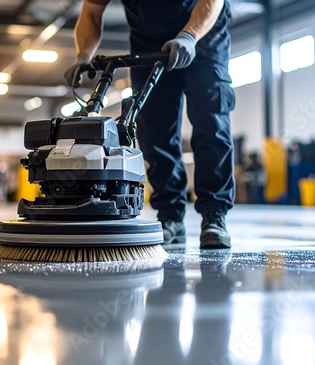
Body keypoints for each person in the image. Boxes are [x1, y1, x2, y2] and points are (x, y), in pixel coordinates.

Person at [64, 0, 236, 248]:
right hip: (148, 39)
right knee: (153, 130)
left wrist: (189, 36)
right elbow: (91, 13)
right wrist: (83, 55)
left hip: (204, 33)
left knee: (211, 122)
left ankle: (214, 215)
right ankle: (170, 216)